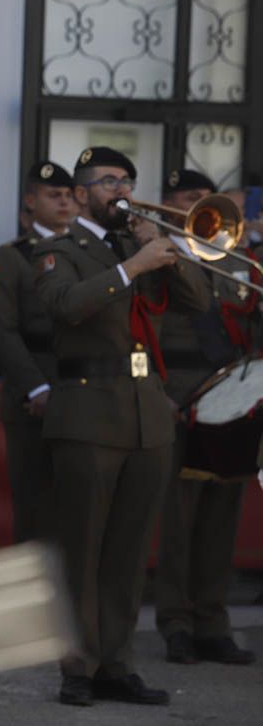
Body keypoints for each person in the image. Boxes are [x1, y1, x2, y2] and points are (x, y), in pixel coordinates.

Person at [33, 146, 211, 707]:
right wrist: (130, 267)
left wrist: (168, 254)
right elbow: (65, 306)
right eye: (108, 181)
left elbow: (198, 303)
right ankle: (77, 667)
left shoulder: (139, 243)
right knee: (83, 549)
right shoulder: (58, 250)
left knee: (130, 554)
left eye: (127, 180)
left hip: (145, 416)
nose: (122, 189)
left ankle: (117, 662)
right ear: (82, 193)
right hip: (88, 415)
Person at [152, 169, 256, 667]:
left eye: (206, 198)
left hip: (231, 400)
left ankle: (213, 623)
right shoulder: (156, 255)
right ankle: (176, 622)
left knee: (221, 519)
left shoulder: (235, 257)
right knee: (179, 520)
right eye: (190, 198)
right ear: (168, 202)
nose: (201, 206)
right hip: (177, 398)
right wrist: (158, 395)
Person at [0, 161, 77, 543]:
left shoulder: (83, 251)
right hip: (33, 393)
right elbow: (2, 330)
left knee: (75, 507)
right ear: (29, 201)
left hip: (78, 389)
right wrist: (35, 388)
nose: (64, 203)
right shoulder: (13, 255)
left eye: (70, 196)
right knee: (35, 507)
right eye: (53, 195)